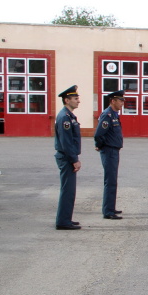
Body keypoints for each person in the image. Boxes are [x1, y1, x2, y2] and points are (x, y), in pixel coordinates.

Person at [54, 85, 82, 230]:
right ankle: (63, 221)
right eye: (75, 99)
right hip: (66, 158)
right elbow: (66, 142)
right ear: (67, 100)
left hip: (68, 157)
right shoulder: (65, 117)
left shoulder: (68, 115)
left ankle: (66, 218)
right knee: (67, 190)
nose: (78, 101)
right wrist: (74, 160)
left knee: (69, 190)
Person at [94, 89, 125, 220]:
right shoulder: (107, 115)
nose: (122, 103)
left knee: (113, 181)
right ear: (113, 101)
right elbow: (99, 134)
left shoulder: (114, 114)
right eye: (120, 100)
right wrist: (101, 146)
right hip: (109, 151)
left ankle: (111, 207)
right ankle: (108, 211)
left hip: (114, 150)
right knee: (110, 181)